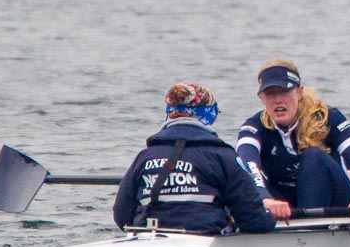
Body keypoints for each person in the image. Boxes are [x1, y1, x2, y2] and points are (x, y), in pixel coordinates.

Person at [113, 82, 275, 235]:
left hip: (147, 238)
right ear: (209, 114)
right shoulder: (222, 156)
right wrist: (271, 217)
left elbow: (122, 217)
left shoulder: (144, 156)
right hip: (204, 241)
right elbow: (254, 220)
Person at [236, 60, 350, 220]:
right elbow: (247, 165)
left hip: (336, 206)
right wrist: (266, 200)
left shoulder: (329, 118)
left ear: (299, 92)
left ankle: (308, 232)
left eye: (284, 91)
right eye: (270, 93)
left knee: (312, 156)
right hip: (285, 207)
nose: (278, 100)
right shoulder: (254, 127)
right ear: (261, 98)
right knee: (236, 169)